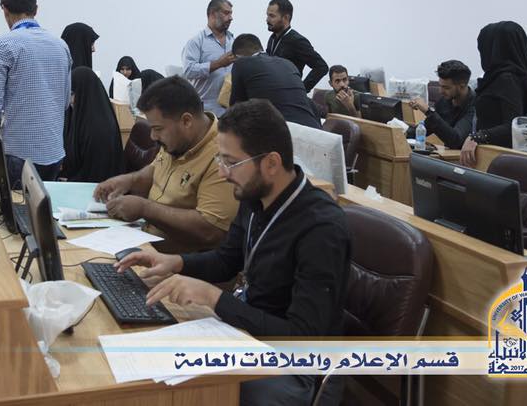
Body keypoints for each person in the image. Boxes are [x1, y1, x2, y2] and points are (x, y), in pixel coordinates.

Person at [116, 99, 350, 406]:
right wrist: (175, 262)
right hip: (248, 333)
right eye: (220, 159)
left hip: (295, 365)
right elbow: (227, 260)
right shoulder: (255, 196)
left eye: (230, 162)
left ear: (271, 163)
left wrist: (213, 297)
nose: (222, 172)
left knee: (174, 389)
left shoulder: (321, 229)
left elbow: (301, 335)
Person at [93, 76, 237, 253]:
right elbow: (156, 170)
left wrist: (144, 209)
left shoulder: (223, 155)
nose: (153, 136)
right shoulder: (178, 140)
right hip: (144, 244)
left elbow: (210, 231)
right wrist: (130, 180)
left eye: (158, 129)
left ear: (186, 121)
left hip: (180, 264)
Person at [0, 0, 72, 188]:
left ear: (4, 9)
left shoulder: (3, 45)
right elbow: (66, 101)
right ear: (36, 9)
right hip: (54, 151)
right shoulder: (61, 45)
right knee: (45, 207)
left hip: (19, 152)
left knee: (15, 207)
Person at [461, 21, 527, 166]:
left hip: (500, 159)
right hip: (491, 154)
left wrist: (478, 136)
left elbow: (514, 125)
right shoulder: (499, 77)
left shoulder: (507, 79)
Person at [228, 34, 321, 128]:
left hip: (282, 129)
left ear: (238, 56)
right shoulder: (288, 64)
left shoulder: (241, 63)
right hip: (314, 129)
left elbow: (236, 107)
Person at [62, 67, 126, 183]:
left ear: (85, 94)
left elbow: (97, 174)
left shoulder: (100, 129)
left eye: (72, 94)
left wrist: (69, 181)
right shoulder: (80, 118)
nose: (70, 100)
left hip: (99, 188)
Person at [182, 0, 235, 117]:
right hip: (207, 112)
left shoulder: (233, 41)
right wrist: (219, 63)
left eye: (231, 13)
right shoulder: (196, 42)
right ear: (212, 14)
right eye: (226, 13)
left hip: (231, 111)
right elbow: (189, 71)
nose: (231, 18)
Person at [406, 60, 476, 149]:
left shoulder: (476, 106)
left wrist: (428, 111)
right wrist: (399, 131)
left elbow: (456, 140)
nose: (441, 91)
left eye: (446, 87)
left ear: (462, 86)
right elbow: (426, 128)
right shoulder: (444, 102)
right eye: (440, 86)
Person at [265, 0, 328, 92]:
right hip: (273, 93)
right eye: (267, 15)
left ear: (286, 18)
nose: (267, 20)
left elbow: (321, 67)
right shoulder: (272, 38)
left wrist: (301, 89)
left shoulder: (297, 41)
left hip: (288, 96)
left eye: (272, 16)